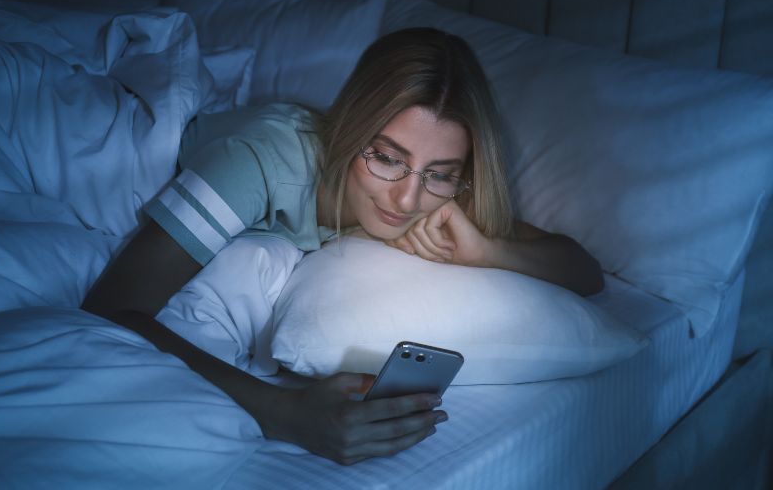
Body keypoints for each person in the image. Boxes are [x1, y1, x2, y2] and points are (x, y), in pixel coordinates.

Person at [82, 27, 603, 465]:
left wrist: (488, 252)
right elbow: (112, 307)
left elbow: (585, 271)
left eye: (440, 173)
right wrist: (283, 413)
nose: (407, 197)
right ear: (351, 128)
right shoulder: (260, 164)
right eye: (385, 156)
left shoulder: (439, 195)